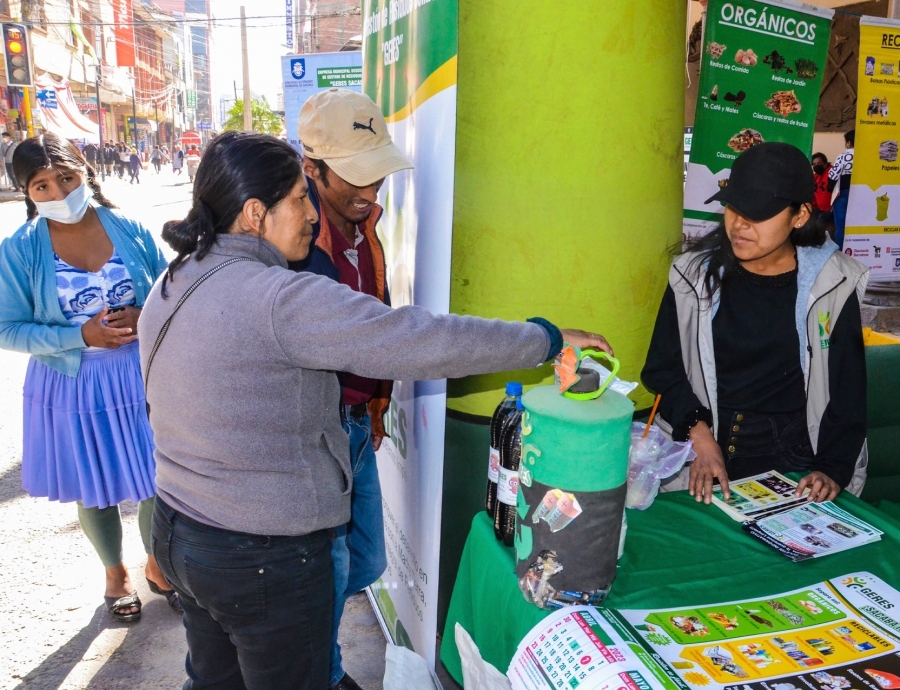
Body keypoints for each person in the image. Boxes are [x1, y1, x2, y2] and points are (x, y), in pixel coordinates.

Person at [142, 130, 612, 690]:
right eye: (297, 199)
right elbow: (417, 338)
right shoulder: (280, 298)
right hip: (262, 555)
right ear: (253, 212)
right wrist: (543, 339)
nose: (311, 214)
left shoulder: (177, 277)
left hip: (181, 532)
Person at [0, 132, 179, 623]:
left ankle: (158, 566)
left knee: (158, 481)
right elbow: (7, 328)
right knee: (93, 484)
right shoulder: (19, 250)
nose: (58, 193)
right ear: (26, 193)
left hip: (141, 380)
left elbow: (171, 293)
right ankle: (115, 574)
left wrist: (144, 311)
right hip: (72, 385)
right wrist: (80, 335)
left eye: (66, 178)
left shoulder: (129, 228)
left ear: (86, 173)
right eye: (41, 186)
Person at [642, 142, 868, 508]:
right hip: (704, 444)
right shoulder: (694, 277)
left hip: (794, 459)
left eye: (759, 213)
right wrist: (698, 434)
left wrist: (832, 469)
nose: (740, 224)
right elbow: (662, 369)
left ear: (800, 215)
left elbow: (848, 391)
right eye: (734, 207)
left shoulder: (832, 284)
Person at [289, 88, 409, 690]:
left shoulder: (363, 224)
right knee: (330, 572)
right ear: (311, 169)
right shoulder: (295, 248)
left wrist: (376, 403)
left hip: (358, 422)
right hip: (318, 434)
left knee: (365, 561)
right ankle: (326, 674)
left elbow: (376, 321)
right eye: (355, 178)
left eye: (377, 173)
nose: (370, 192)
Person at [828, 130, 854, 248]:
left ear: (848, 143)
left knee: (841, 225)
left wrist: (829, 189)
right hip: (862, 193)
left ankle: (841, 251)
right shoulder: (867, 156)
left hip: (843, 193)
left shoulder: (844, 156)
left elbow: (833, 175)